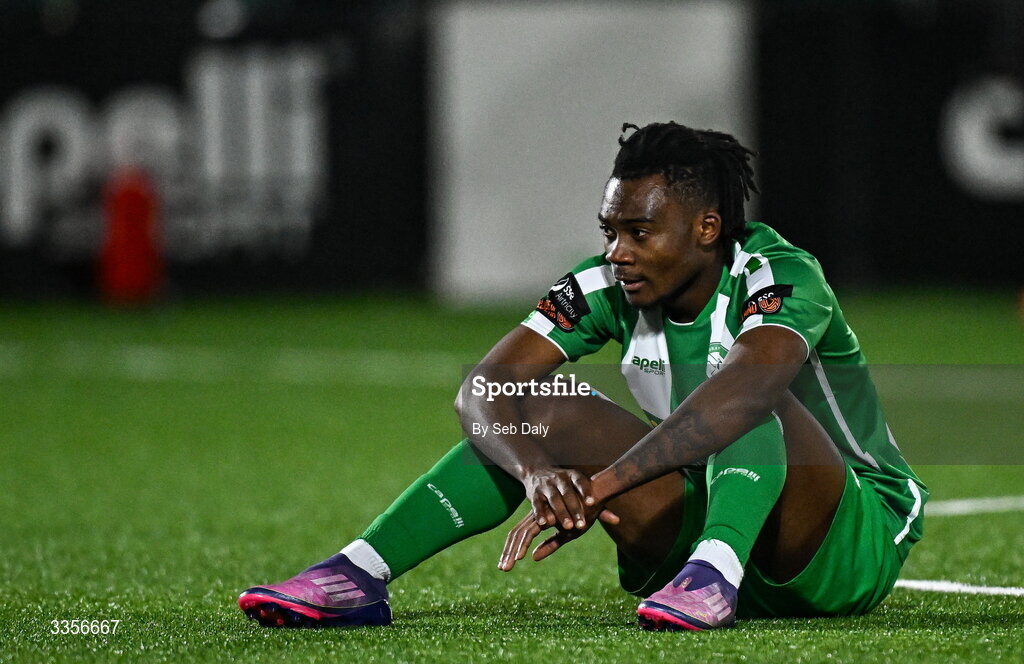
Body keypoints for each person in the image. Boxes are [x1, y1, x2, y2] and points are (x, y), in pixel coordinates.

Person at [238, 121, 927, 631]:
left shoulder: (779, 274)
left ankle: (715, 573)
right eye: (609, 231)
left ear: (707, 228)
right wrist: (538, 472)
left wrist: (598, 487)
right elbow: (483, 388)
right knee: (542, 406)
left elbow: (745, 394)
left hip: (845, 538)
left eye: (638, 233)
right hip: (701, 517)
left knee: (750, 397)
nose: (616, 253)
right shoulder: (605, 284)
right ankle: (358, 573)